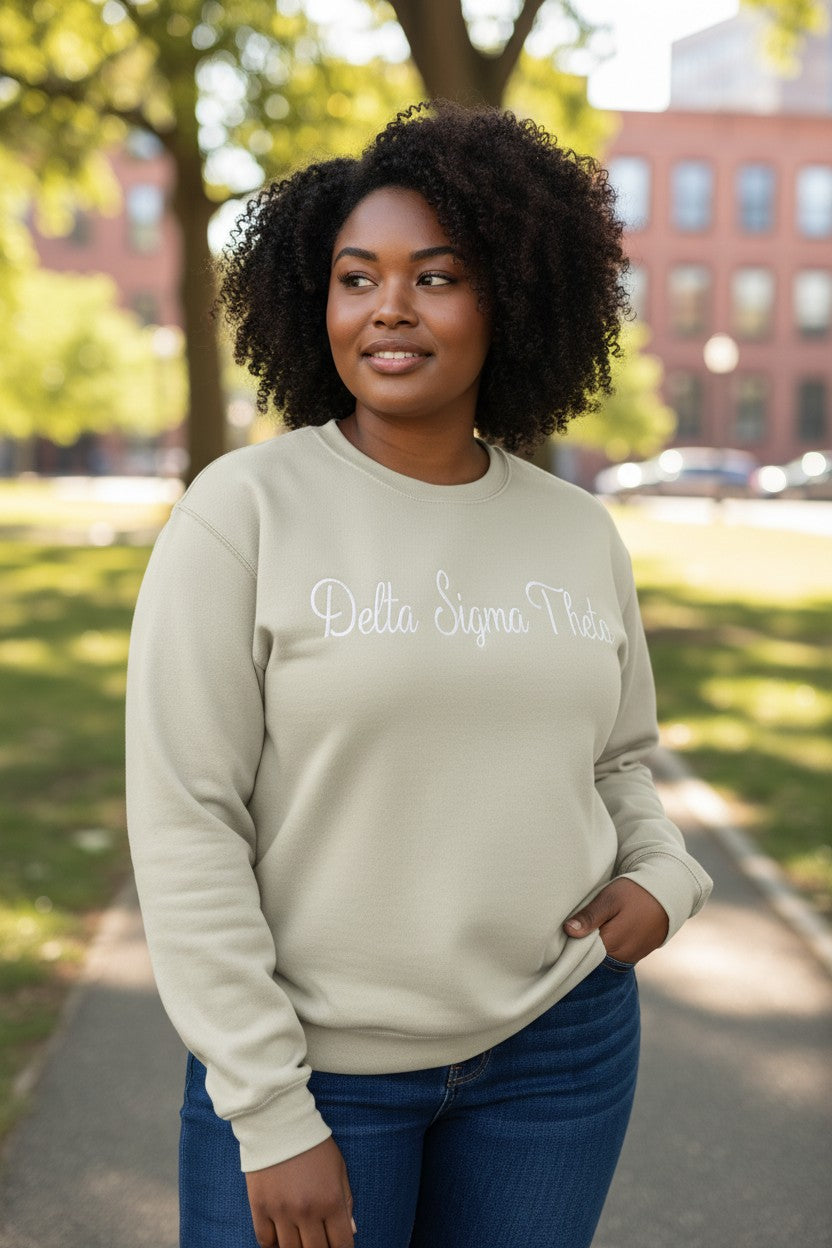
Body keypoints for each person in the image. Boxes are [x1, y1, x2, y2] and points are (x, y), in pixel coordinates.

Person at [125, 99, 714, 1248]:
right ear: (319, 302)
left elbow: (616, 759)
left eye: (435, 276)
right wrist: (268, 1107)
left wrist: (662, 875)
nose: (388, 306)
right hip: (319, 1073)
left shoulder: (576, 531)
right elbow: (187, 817)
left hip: (559, 1052)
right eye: (357, 278)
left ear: (513, 298)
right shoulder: (242, 514)